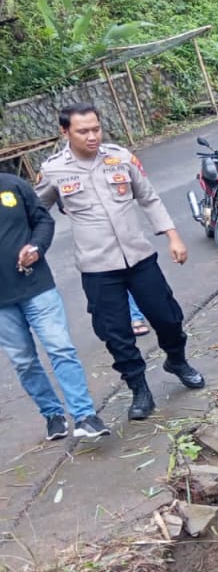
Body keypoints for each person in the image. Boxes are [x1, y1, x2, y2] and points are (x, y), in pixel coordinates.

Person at [35, 103, 205, 422]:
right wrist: (30, 244)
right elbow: (36, 211)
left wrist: (173, 236)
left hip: (139, 258)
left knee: (167, 316)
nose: (92, 136)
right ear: (64, 132)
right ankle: (139, 389)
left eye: (96, 129)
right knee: (116, 335)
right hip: (98, 269)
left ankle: (177, 360)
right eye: (83, 131)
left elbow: (149, 197)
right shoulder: (54, 170)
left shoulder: (120, 157)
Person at [0, 172, 110, 441]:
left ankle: (84, 415)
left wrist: (36, 247)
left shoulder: (13, 185)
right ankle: (52, 414)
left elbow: (43, 221)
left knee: (60, 348)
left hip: (36, 285)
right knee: (23, 361)